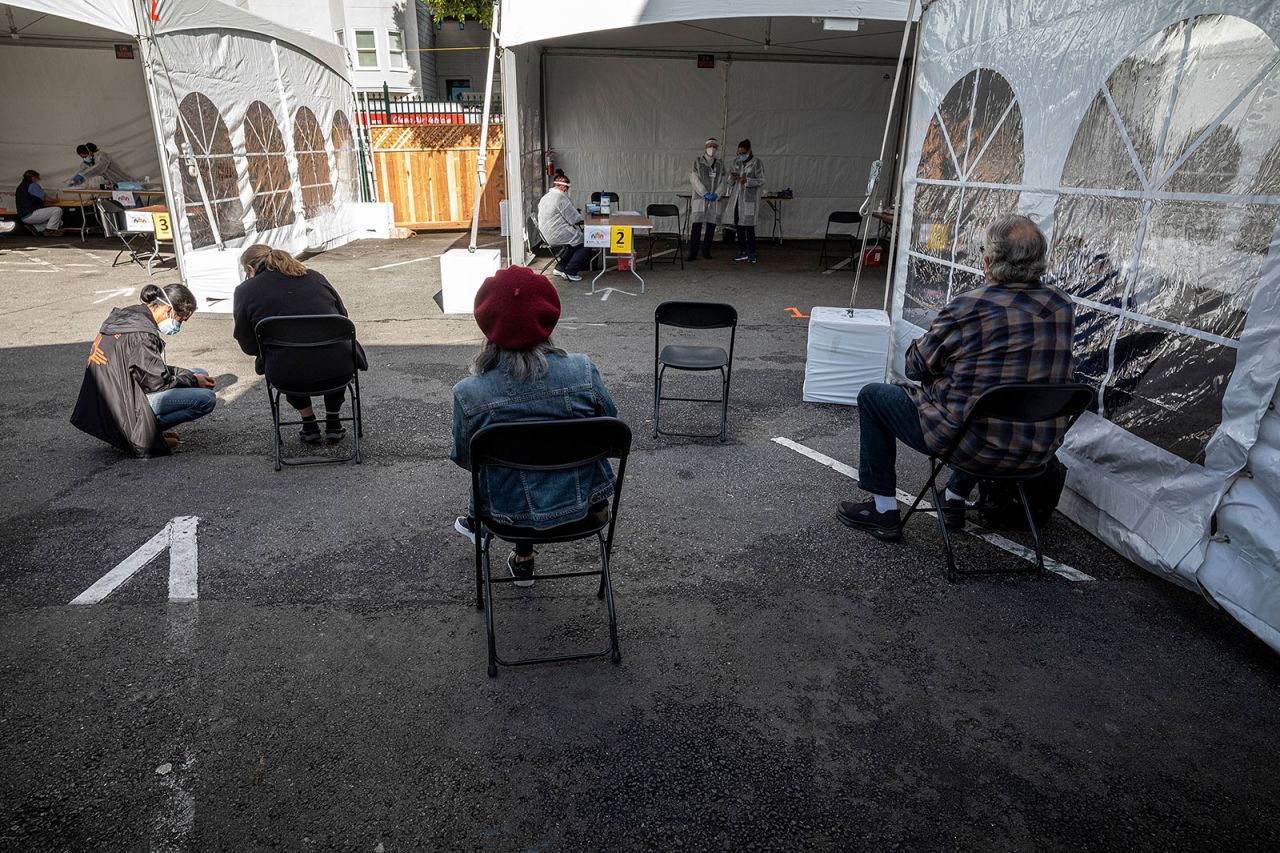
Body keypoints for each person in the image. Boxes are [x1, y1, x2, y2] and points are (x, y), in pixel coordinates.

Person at [837, 214, 1076, 540]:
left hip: (971, 444)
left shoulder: (969, 307)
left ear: (989, 261)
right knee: (984, 398)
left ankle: (882, 510)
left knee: (874, 396)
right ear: (1040, 260)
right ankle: (954, 499)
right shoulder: (1062, 305)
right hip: (1035, 450)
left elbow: (915, 367)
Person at [451, 266, 618, 587]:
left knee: (505, 470)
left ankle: (516, 552)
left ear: (487, 324)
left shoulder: (469, 393)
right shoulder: (583, 372)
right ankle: (521, 558)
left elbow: (466, 460)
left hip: (508, 517)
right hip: (583, 507)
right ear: (547, 317)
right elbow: (612, 439)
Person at [232, 244, 365, 443]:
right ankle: (333, 421)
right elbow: (342, 317)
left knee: (287, 355)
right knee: (328, 351)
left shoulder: (245, 291)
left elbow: (248, 344)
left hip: (286, 375)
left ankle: (309, 422)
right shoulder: (315, 277)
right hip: (339, 368)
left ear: (250, 269)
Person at [71, 283, 216, 456]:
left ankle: (152, 429)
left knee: (199, 373)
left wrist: (192, 377)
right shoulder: (142, 335)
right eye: (180, 320)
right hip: (121, 410)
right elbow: (157, 382)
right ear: (168, 310)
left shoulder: (131, 316)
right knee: (206, 399)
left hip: (110, 399)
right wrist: (192, 380)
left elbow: (146, 368)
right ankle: (143, 436)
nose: (179, 326)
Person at [536, 173, 591, 282]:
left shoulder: (545, 197)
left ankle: (560, 268)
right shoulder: (561, 198)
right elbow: (574, 219)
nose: (566, 190)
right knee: (586, 242)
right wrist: (583, 216)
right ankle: (570, 271)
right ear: (561, 186)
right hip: (556, 232)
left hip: (545, 233)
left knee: (574, 243)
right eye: (566, 187)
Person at [724, 138, 765, 263]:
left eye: (743, 153)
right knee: (739, 226)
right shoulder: (736, 162)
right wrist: (732, 177)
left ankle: (752, 252)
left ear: (749, 151)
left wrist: (747, 181)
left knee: (749, 227)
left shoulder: (756, 163)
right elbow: (730, 182)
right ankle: (742, 251)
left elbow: (761, 180)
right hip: (737, 199)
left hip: (749, 200)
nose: (741, 155)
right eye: (739, 153)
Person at [688, 137, 727, 261]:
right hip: (700, 198)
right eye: (710, 146)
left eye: (715, 147)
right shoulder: (698, 162)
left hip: (714, 199)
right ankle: (693, 253)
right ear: (705, 148)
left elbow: (723, 181)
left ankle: (706, 251)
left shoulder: (720, 164)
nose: (712, 149)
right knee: (697, 226)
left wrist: (717, 193)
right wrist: (704, 192)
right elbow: (694, 179)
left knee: (711, 225)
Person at [15, 170, 63, 237]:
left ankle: (36, 228)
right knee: (57, 210)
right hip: (30, 213)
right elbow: (47, 199)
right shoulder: (32, 185)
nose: (39, 179)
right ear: (33, 178)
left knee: (59, 222)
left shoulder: (20, 186)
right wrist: (56, 200)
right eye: (38, 177)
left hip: (23, 216)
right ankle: (50, 230)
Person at [67, 142, 133, 187]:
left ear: (89, 152)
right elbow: (85, 170)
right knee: (126, 203)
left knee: (134, 201)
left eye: (84, 157)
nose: (84, 159)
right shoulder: (91, 161)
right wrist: (75, 181)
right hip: (114, 184)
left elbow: (99, 167)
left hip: (124, 181)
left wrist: (81, 175)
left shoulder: (102, 155)